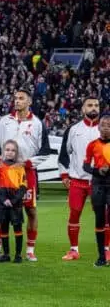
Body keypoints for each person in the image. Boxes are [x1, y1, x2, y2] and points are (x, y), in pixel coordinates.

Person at [0, 89, 50, 262]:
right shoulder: (4, 121)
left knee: (30, 210)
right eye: (15, 98)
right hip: (4, 171)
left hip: (26, 172)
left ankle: (30, 249)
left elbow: (45, 150)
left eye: (21, 98)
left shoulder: (37, 123)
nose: (17, 101)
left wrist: (27, 163)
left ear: (29, 101)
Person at [59, 97, 106, 261]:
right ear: (83, 109)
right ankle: (73, 250)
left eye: (96, 105)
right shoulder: (73, 129)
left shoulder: (106, 129)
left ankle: (106, 250)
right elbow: (64, 154)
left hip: (100, 182)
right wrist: (64, 174)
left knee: (104, 216)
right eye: (90, 105)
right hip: (77, 181)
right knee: (74, 214)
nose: (93, 108)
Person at [0, 140, 26, 263]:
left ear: (16, 153)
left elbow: (23, 187)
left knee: (17, 227)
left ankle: (18, 255)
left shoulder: (19, 167)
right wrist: (3, 199)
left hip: (15, 202)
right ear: (3, 151)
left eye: (13, 150)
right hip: (2, 201)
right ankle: (6, 254)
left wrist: (14, 200)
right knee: (4, 228)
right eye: (7, 150)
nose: (10, 152)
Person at [82, 115, 110, 267]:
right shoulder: (92, 145)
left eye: (109, 125)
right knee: (99, 220)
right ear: (98, 127)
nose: (106, 128)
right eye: (103, 125)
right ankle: (101, 257)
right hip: (98, 184)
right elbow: (85, 166)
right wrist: (98, 171)